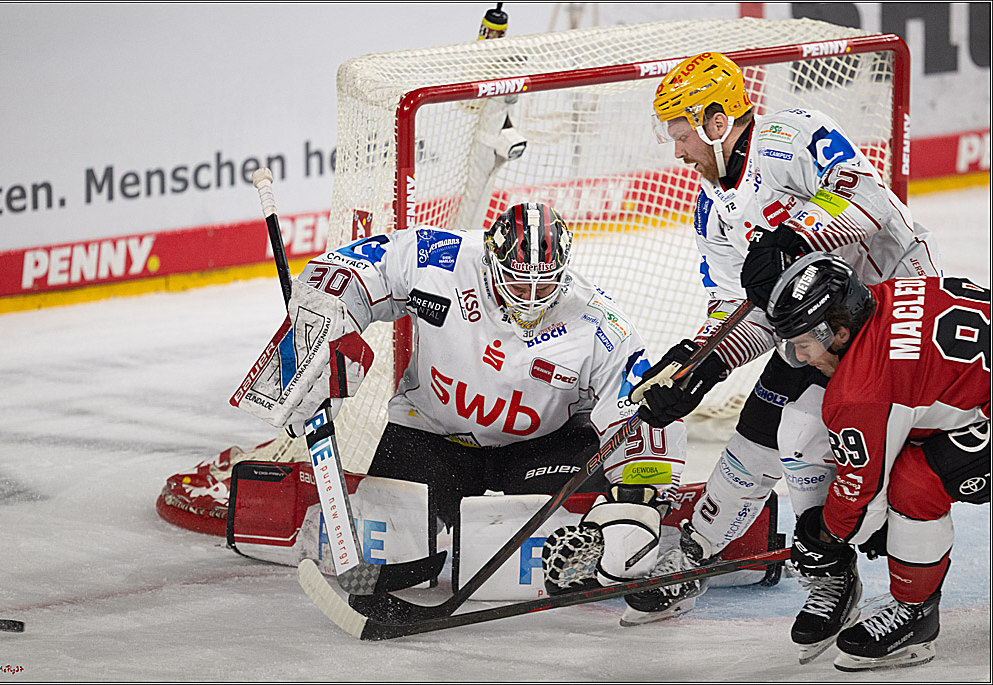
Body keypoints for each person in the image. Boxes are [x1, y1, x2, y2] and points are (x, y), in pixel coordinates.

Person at [623, 51, 943, 637]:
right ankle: (695, 553)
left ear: (717, 122)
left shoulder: (788, 134)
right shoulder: (714, 213)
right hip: (819, 321)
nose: (678, 151)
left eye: (682, 134)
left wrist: (796, 234)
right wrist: (703, 365)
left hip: (895, 301)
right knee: (760, 422)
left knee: (807, 432)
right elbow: (743, 313)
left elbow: (870, 201)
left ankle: (835, 570)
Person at [285, 202, 687, 588]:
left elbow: (640, 413)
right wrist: (312, 338)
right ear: (491, 263)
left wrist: (638, 501)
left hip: (544, 449)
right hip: (431, 437)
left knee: (564, 557)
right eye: (518, 280)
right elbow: (343, 271)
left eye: (544, 282)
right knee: (392, 552)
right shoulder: (439, 259)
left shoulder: (599, 322)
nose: (531, 297)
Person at [765, 252, 990, 672]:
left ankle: (915, 616)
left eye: (803, 344)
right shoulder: (888, 293)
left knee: (915, 484)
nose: (801, 358)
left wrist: (823, 537)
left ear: (838, 332)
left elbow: (862, 502)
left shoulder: (862, 388)